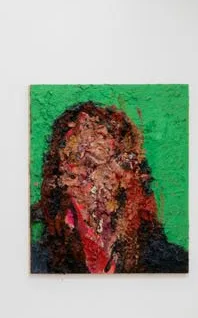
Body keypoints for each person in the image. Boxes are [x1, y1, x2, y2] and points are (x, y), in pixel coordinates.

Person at [31, 101, 188, 274]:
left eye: (97, 166)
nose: (84, 182)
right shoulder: (38, 261)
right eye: (74, 169)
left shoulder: (170, 263)